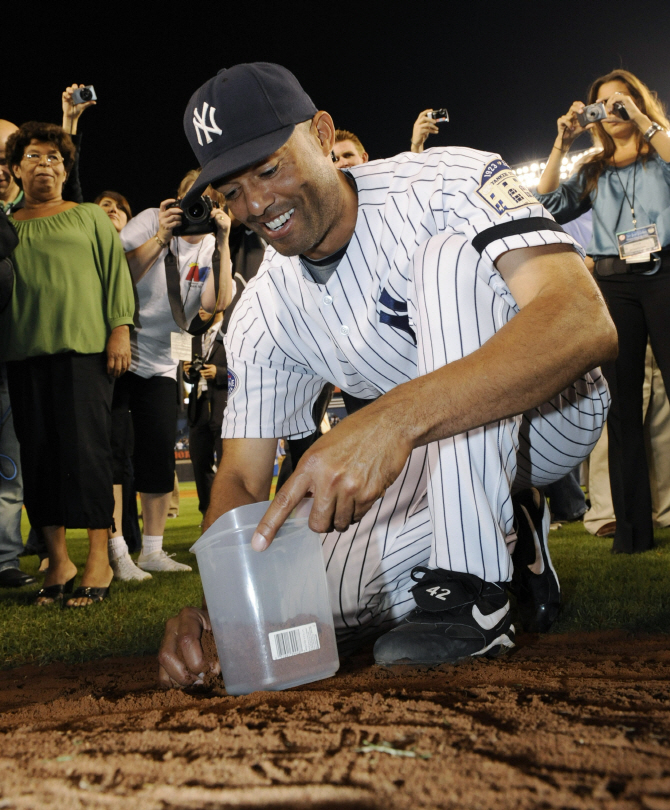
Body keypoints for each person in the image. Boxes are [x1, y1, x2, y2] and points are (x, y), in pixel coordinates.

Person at [158, 63, 616, 686]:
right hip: (434, 458)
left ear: (321, 135)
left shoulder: (446, 180)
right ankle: (511, 537)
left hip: (552, 415)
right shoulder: (263, 309)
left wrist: (394, 418)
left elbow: (584, 322)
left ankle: (474, 586)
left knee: (448, 259)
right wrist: (223, 608)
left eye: (268, 169)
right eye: (231, 193)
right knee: (315, 597)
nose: (257, 204)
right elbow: (240, 477)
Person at [0, 121, 135, 607]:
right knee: (38, 460)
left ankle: (99, 557)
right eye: (34, 157)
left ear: (66, 168)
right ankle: (59, 560)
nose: (46, 165)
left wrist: (120, 327)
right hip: (23, 353)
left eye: (55, 157)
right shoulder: (6, 226)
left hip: (85, 353)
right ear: (14, 169)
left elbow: (115, 273)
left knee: (88, 454)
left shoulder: (88, 216)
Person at [536, 69, 670, 555]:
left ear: (638, 102)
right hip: (614, 282)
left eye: (621, 101)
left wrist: (643, 121)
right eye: (604, 105)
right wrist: (560, 143)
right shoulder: (594, 169)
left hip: (665, 274)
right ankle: (633, 532)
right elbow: (542, 201)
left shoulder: (662, 153)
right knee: (621, 409)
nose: (612, 111)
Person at [107, 170, 233, 578]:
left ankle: (153, 551)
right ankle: (115, 549)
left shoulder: (214, 243)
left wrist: (225, 243)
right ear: (177, 199)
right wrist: (161, 238)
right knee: (113, 454)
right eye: (190, 199)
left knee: (158, 453)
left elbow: (216, 304)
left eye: (207, 201)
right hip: (121, 348)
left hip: (161, 363)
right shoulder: (148, 221)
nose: (196, 208)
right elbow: (116, 276)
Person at [184, 308, 227, 519]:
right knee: (200, 464)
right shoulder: (195, 338)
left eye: (206, 304)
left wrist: (218, 373)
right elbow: (191, 376)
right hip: (198, 410)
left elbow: (246, 369)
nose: (200, 308)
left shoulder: (233, 331)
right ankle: (208, 516)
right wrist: (187, 373)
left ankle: (228, 516)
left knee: (227, 467)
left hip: (224, 409)